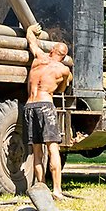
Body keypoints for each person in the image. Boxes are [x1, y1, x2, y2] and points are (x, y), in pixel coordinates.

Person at [25, 23, 73, 199]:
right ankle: (57, 190)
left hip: (30, 105)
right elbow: (61, 89)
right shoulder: (63, 70)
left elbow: (31, 41)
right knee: (53, 149)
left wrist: (30, 29)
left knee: (36, 151)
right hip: (45, 105)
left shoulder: (38, 58)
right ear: (64, 56)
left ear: (52, 50)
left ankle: (42, 187)